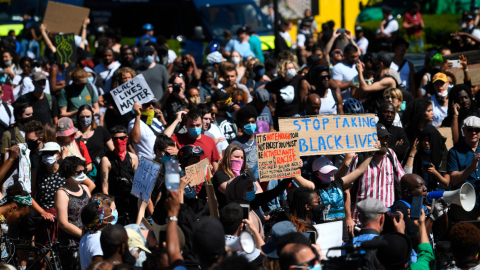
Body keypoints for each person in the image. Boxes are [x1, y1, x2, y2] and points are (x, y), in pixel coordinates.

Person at [347, 123, 405, 224]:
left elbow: (403, 181)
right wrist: (348, 218)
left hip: (386, 220)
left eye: (386, 138)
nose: (384, 141)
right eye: (380, 138)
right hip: (362, 221)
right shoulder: (359, 158)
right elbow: (346, 190)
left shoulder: (391, 155)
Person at [55, 156, 92, 267]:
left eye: (84, 171)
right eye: (79, 172)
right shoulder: (62, 193)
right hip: (71, 243)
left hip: (87, 237)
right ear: (68, 173)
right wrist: (83, 234)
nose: (82, 174)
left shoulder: (85, 188)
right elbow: (63, 223)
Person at [100, 125, 139, 224]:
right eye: (115, 138)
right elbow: (105, 186)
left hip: (132, 201)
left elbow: (138, 182)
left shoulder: (133, 158)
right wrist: (109, 205)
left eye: (121, 138)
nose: (118, 141)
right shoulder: (106, 159)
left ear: (126, 139)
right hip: (116, 201)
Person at [447, 116, 480, 221]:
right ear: (464, 130)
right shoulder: (454, 152)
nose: (473, 132)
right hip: (465, 206)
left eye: (477, 130)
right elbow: (453, 180)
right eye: (470, 129)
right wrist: (471, 168)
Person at [34, 142, 64, 247]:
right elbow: (30, 196)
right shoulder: (37, 172)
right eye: (45, 153)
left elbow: (88, 185)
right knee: (44, 251)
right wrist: (42, 212)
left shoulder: (65, 171)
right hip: (45, 216)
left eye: (51, 153)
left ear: (58, 155)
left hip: (62, 215)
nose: (47, 156)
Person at [404, 126, 448, 191]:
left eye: (429, 140)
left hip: (435, 194)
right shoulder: (416, 153)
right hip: (417, 193)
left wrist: (434, 172)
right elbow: (406, 177)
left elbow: (446, 183)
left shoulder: (442, 154)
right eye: (424, 140)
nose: (426, 143)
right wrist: (412, 154)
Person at [79, 196, 117, 270]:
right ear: (103, 220)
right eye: (109, 210)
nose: (113, 212)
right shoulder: (99, 241)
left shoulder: (86, 236)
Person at [265, 60, 304, 129]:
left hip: (296, 118)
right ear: (283, 70)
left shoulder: (299, 80)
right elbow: (265, 89)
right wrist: (271, 104)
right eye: (289, 68)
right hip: (281, 118)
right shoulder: (277, 83)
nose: (292, 70)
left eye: (293, 68)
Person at [212, 143, 247, 209]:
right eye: (236, 157)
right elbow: (233, 192)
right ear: (228, 157)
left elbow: (259, 191)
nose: (240, 160)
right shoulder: (220, 174)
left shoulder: (246, 172)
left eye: (242, 157)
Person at [233, 106, 259, 179]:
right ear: (241, 124)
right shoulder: (235, 144)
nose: (250, 125)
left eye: (252, 122)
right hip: (246, 179)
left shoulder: (261, 140)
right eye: (247, 123)